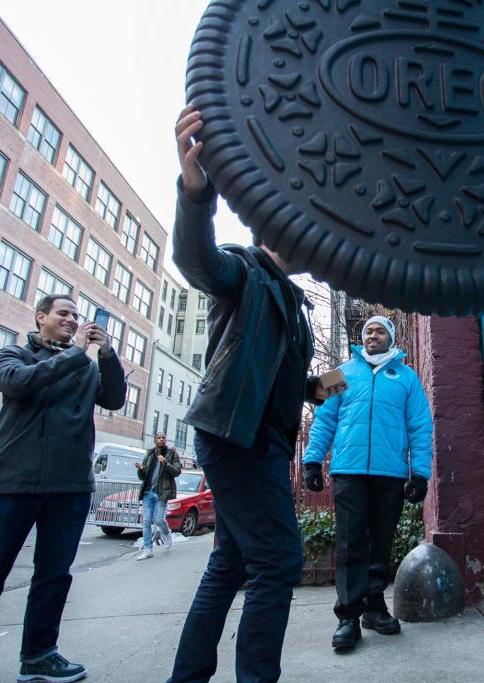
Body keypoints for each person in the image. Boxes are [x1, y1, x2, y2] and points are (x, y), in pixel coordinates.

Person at [167, 104, 346, 683]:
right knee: (278, 560)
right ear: (274, 229)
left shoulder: (294, 304)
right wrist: (196, 193)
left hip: (260, 439)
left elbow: (275, 378)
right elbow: (196, 260)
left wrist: (316, 388)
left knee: (231, 561)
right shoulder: (244, 272)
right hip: (235, 436)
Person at [0, 295, 126, 683]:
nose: (72, 320)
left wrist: (106, 355)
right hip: (11, 484)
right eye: (63, 313)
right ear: (41, 317)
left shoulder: (87, 367)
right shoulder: (14, 355)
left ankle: (39, 657)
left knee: (53, 577)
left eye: (76, 315)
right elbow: (18, 384)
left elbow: (115, 398)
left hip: (69, 486)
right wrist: (77, 354)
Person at [302, 315, 433, 650]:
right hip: (349, 471)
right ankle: (347, 617)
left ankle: (374, 608)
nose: (373, 335)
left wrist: (420, 473)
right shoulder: (340, 373)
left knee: (381, 542)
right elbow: (324, 420)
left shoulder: (407, 378)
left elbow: (420, 426)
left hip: (390, 474)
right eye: (368, 331)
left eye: (380, 331)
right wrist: (312, 461)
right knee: (350, 543)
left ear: (391, 338)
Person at [134, 432, 182, 560]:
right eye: (158, 438)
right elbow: (143, 477)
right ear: (154, 440)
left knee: (159, 519)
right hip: (148, 492)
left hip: (161, 493)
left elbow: (177, 471)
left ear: (166, 440)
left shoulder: (171, 454)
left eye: (163, 438)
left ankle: (166, 532)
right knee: (146, 521)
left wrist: (166, 463)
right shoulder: (150, 454)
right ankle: (148, 549)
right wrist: (140, 469)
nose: (161, 439)